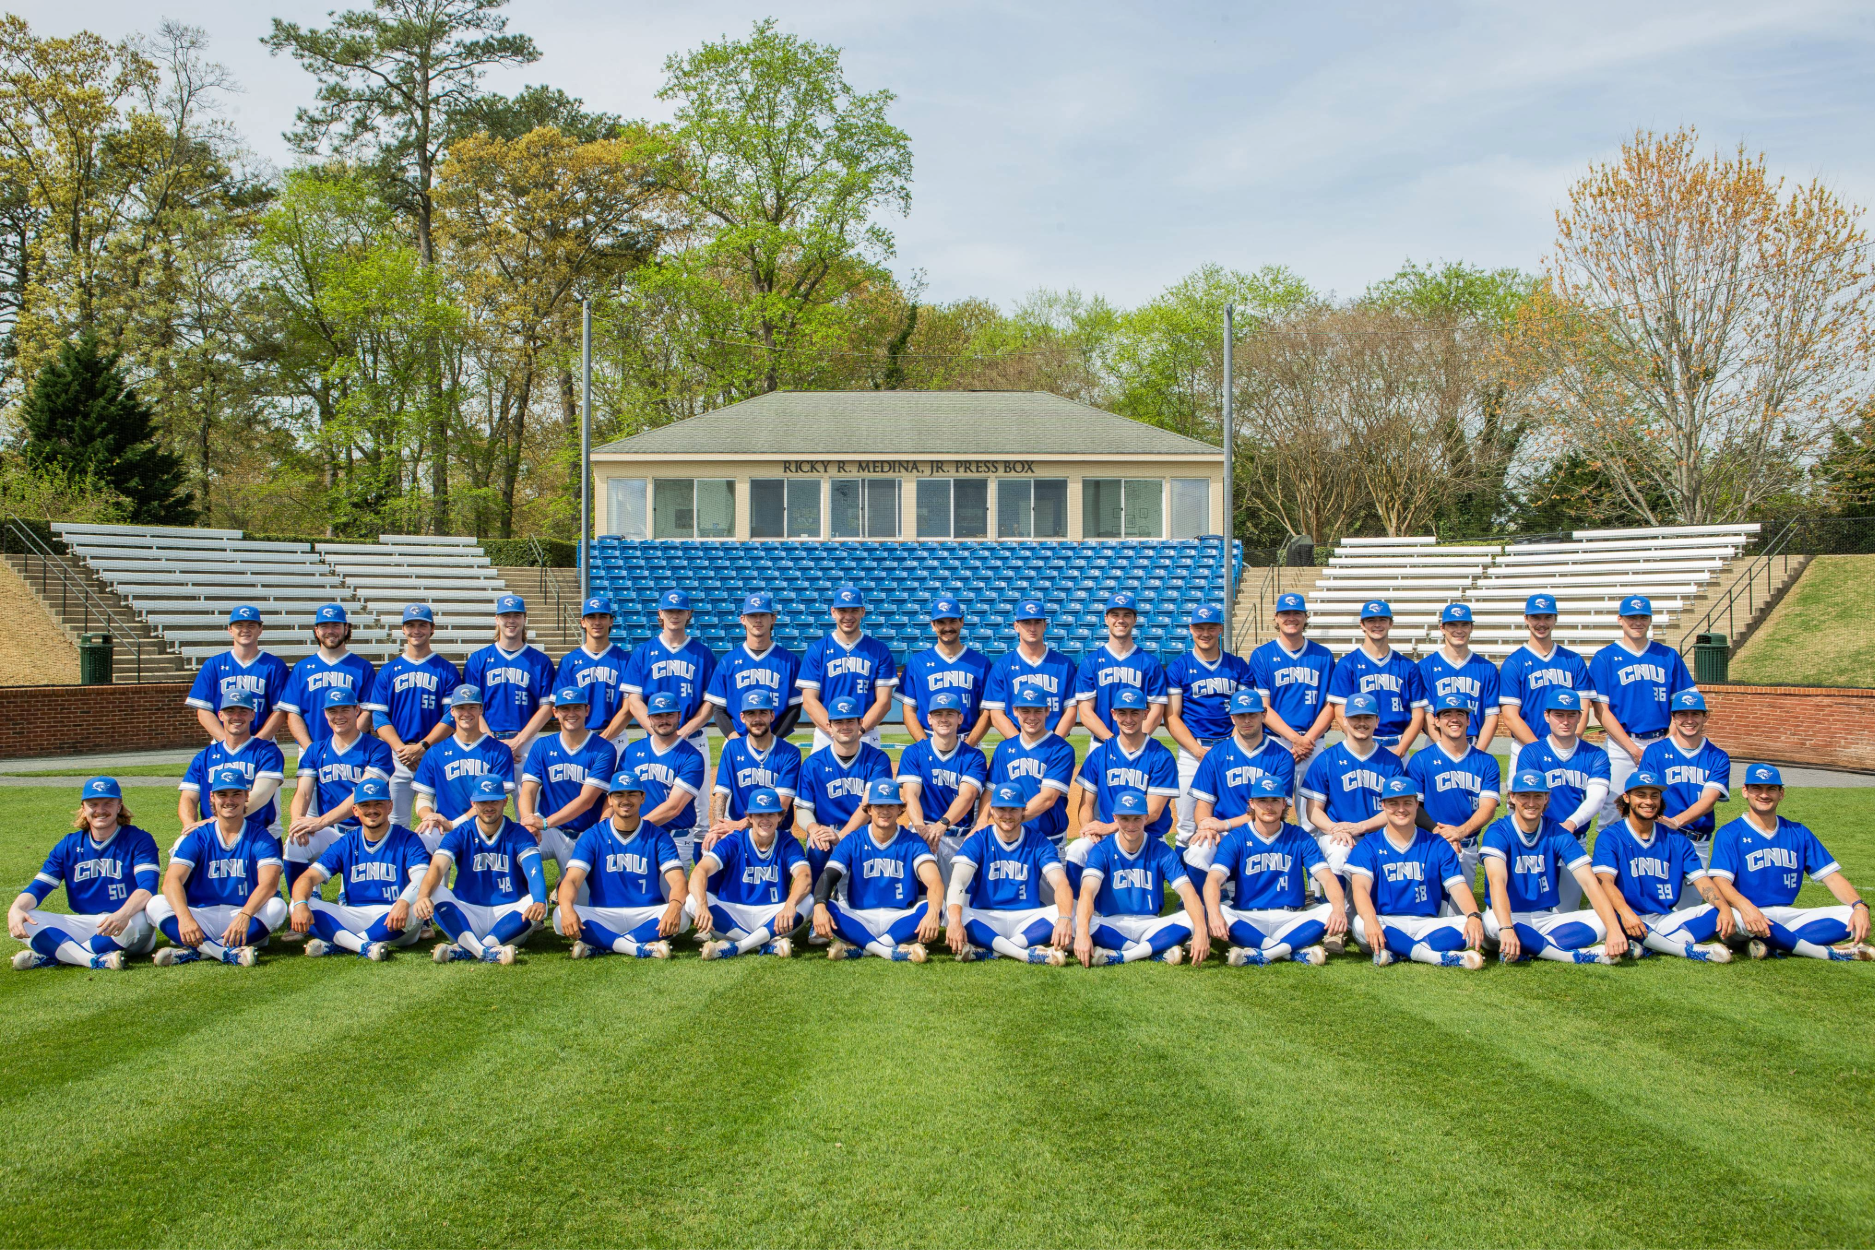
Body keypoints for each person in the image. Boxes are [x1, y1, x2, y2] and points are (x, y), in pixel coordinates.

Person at [1708, 763, 1874, 962]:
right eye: (1757, 788)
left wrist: (1859, 906)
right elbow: (1720, 881)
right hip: (1745, 915)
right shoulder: (1730, 833)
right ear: (1745, 791)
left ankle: (1769, 945)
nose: (1764, 794)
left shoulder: (1798, 832)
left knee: (1849, 915)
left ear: (1781, 793)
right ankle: (1830, 952)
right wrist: (1746, 908)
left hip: (1786, 917)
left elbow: (1831, 877)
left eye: (1771, 789)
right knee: (1735, 919)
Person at [1479, 770, 1629, 965]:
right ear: (1512, 797)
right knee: (1490, 922)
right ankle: (1574, 956)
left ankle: (1534, 948)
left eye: (1537, 796)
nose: (1531, 803)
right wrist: (1507, 928)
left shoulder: (1557, 832)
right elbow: (1496, 881)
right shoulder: (1498, 831)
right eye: (1524, 795)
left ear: (1546, 798)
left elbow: (1589, 882)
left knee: (1606, 920)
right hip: (1507, 915)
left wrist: (1614, 929)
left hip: (1547, 919)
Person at [8, 777, 159, 970]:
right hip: (87, 924)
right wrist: (15, 909)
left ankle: (59, 956)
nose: (100, 810)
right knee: (26, 917)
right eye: (93, 804)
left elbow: (148, 887)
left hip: (124, 924)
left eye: (108, 803)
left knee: (141, 921)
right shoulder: (69, 845)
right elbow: (39, 887)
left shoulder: (139, 839)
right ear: (83, 807)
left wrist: (122, 914)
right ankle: (91, 960)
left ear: (119, 806)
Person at [148, 765, 288, 967]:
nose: (229, 801)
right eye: (222, 794)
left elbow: (269, 884)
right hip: (201, 915)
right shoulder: (199, 836)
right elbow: (171, 882)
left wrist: (245, 916)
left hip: (242, 915)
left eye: (236, 794)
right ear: (212, 797)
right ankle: (225, 952)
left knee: (277, 906)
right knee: (155, 904)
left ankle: (198, 951)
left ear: (246, 796)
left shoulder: (260, 837)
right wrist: (185, 918)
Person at [1201, 775, 1347, 967]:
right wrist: (1213, 914)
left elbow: (1327, 879)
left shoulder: (1299, 837)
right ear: (1252, 804)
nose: (1269, 807)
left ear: (1284, 804)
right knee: (1213, 909)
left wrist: (1338, 909)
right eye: (1263, 800)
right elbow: (1213, 880)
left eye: (1275, 800)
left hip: (1290, 918)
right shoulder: (1236, 838)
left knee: (1330, 908)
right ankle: (1289, 952)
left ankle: (1262, 954)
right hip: (1249, 918)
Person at [1345, 776, 1487, 970]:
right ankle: (1434, 957)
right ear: (1383, 805)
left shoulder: (1436, 844)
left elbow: (1458, 886)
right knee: (1360, 923)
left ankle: (1399, 953)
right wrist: (1370, 920)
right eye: (1393, 803)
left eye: (1407, 803)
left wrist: (1473, 915)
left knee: (1474, 924)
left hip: (1427, 925)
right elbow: (1360, 888)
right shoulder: (1369, 845)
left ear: (1417, 804)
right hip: (1385, 923)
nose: (1401, 809)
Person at [1591, 771, 1734, 961]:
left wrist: (1723, 907)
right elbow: (1605, 882)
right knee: (1609, 917)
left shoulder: (1676, 839)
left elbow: (1702, 881)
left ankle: (1647, 947)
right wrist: (1626, 913)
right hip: (1626, 915)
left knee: (1718, 911)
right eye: (1641, 795)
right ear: (1626, 798)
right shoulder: (1610, 837)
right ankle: (1686, 950)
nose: (1648, 802)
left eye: (1654, 795)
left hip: (1665, 918)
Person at [286, 776, 429, 960]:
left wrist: (403, 902)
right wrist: (300, 905)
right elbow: (307, 878)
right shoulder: (347, 842)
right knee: (297, 903)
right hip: (354, 915)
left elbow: (422, 878)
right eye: (365, 805)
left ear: (390, 806)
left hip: (395, 917)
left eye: (378, 804)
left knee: (414, 907)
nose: (372, 810)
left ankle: (344, 944)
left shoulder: (408, 839)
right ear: (355, 810)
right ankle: (362, 945)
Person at [413, 775, 548, 965]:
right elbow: (437, 866)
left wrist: (540, 902)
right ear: (473, 803)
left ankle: (468, 949)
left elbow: (535, 871)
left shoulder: (520, 834)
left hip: (509, 915)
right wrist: (422, 895)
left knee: (537, 900)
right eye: (483, 801)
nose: (488, 806)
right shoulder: (461, 833)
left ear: (505, 801)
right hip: (468, 914)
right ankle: (486, 951)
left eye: (494, 800)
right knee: (433, 892)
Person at [555, 769, 689, 960]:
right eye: (619, 794)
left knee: (683, 913)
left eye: (632, 794)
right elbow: (572, 880)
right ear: (609, 799)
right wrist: (567, 909)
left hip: (646, 914)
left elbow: (678, 881)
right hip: (603, 915)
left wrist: (674, 907)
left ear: (642, 797)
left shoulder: (658, 836)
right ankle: (636, 947)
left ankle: (603, 945)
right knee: (560, 914)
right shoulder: (593, 835)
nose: (625, 800)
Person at [1587, 596, 1696, 825]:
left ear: (1650, 620)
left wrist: (1667, 740)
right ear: (1620, 620)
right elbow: (1601, 712)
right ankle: (1611, 860)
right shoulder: (1605, 658)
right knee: (1614, 810)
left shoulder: (1667, 655)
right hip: (1621, 746)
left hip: (1663, 740)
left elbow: (1685, 705)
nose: (1637, 622)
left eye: (1643, 617)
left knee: (1661, 807)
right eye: (1631, 617)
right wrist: (1634, 749)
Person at [812, 776, 944, 962]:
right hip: (859, 917)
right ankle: (890, 950)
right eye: (879, 806)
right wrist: (819, 907)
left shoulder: (912, 841)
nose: (884, 811)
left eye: (890, 806)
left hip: (900, 918)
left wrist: (932, 914)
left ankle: (863, 948)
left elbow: (935, 881)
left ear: (900, 809)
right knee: (827, 906)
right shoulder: (852, 840)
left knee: (937, 906)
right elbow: (828, 876)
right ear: (869, 809)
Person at [1073, 789, 1206, 966]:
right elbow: (1087, 892)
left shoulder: (1161, 850)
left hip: (1150, 924)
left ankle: (1124, 954)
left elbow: (1188, 893)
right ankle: (1152, 951)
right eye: (1125, 819)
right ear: (1115, 818)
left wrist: (1202, 931)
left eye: (1136, 818)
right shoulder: (1102, 850)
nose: (1131, 825)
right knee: (1076, 921)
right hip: (1111, 923)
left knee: (1196, 917)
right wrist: (1082, 933)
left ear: (1146, 817)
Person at [946, 782, 1073, 965]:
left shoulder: (1038, 841)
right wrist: (956, 921)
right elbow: (958, 882)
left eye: (1013, 809)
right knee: (950, 912)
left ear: (1023, 811)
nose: (1007, 815)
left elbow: (1061, 883)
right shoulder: (979, 840)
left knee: (1071, 912)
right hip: (986, 916)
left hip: (1026, 917)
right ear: (991, 810)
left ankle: (993, 951)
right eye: (1001, 809)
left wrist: (1064, 918)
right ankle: (1024, 953)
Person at [285, 687, 395, 892]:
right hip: (333, 833)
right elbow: (303, 793)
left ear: (357, 710)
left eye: (344, 709)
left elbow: (360, 796)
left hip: (367, 833)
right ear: (325, 714)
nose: (338, 716)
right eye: (332, 711)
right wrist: (297, 822)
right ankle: (303, 904)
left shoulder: (378, 748)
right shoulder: (315, 750)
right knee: (295, 842)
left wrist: (321, 821)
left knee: (355, 903)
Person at [365, 604, 463, 827]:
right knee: (395, 822)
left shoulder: (446, 670)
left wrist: (422, 747)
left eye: (422, 625)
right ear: (403, 629)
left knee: (438, 821)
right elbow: (379, 718)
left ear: (432, 629)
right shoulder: (389, 671)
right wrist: (402, 750)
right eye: (411, 625)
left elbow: (451, 716)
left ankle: (437, 863)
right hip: (399, 757)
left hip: (435, 754)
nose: (416, 630)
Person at [1164, 604, 1253, 848]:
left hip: (1231, 750)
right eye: (1199, 627)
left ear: (1220, 629)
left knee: (1233, 818)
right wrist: (1197, 751)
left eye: (1211, 627)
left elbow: (1245, 715)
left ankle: (1231, 882)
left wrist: (1227, 748)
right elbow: (1172, 717)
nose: (1205, 633)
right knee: (1186, 825)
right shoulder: (1179, 667)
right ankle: (1187, 882)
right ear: (1191, 629)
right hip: (1193, 753)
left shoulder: (1238, 666)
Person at [1185, 689, 1298, 879]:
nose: (1246, 720)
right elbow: (1204, 804)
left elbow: (1275, 811)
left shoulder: (1282, 757)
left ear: (1263, 715)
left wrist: (1224, 825)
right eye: (1241, 715)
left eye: (1252, 714)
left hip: (1262, 831)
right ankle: (1204, 902)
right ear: (1232, 718)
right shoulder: (1216, 755)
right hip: (1223, 832)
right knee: (1199, 849)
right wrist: (1205, 826)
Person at [688, 787, 812, 960]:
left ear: (780, 817)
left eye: (771, 814)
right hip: (733, 913)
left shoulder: (787, 843)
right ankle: (767, 943)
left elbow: (804, 876)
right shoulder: (734, 841)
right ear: (749, 818)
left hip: (773, 915)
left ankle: (738, 946)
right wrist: (701, 904)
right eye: (760, 814)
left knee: (808, 900)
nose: (765, 820)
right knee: (692, 900)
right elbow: (700, 870)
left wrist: (790, 904)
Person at [1300, 692, 1404, 893]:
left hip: (1378, 833)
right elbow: (1313, 811)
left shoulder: (1391, 762)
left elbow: (1396, 810)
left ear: (1377, 721)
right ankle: (1336, 909)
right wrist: (1335, 829)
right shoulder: (1327, 759)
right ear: (1344, 721)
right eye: (1356, 718)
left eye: (1367, 718)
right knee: (1339, 851)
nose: (1362, 723)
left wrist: (1360, 827)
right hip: (1337, 833)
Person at [517, 685, 619, 891]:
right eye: (565, 709)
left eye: (577, 708)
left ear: (587, 710)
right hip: (551, 831)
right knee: (513, 847)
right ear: (555, 712)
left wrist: (544, 822)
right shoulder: (542, 746)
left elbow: (587, 800)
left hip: (585, 833)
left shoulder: (603, 749)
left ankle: (564, 885)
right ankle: (526, 910)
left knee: (582, 902)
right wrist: (528, 821)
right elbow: (528, 789)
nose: (571, 714)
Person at [1519, 687, 1611, 911]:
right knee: (1531, 910)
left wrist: (1570, 824)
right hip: (1537, 841)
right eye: (1559, 714)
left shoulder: (1595, 755)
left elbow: (1597, 799)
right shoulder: (1531, 753)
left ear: (1580, 717)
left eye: (1571, 714)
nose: (1566, 721)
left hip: (1573, 839)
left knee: (1565, 914)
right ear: (1547, 716)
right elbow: (1526, 802)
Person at [1404, 692, 1502, 902]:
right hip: (1429, 844)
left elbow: (1488, 807)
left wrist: (1460, 832)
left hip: (1467, 844)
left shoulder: (1486, 762)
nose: (1454, 718)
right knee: (1429, 911)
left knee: (1459, 916)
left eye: (1460, 713)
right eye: (1447, 714)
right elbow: (1413, 807)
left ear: (1469, 720)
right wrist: (1439, 832)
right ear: (1437, 721)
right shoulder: (1421, 760)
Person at [1068, 687, 1179, 868]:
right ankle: (1077, 898)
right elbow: (1086, 805)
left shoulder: (1161, 756)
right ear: (1113, 714)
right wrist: (1089, 829)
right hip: (1108, 838)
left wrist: (1109, 827)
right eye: (1123, 713)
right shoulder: (1099, 755)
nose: (1128, 719)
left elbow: (1154, 811)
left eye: (1134, 712)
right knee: (1076, 850)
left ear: (1145, 714)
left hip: (1148, 837)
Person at [795, 695, 895, 895]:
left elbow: (869, 806)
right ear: (829, 727)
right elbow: (803, 808)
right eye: (839, 722)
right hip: (826, 833)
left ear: (860, 724)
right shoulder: (814, 763)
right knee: (817, 847)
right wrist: (814, 829)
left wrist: (841, 836)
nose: (845, 726)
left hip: (863, 833)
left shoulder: (877, 759)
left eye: (850, 721)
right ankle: (818, 911)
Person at [896, 690, 988, 885]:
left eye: (950, 714)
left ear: (960, 718)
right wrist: (921, 827)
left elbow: (967, 796)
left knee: (957, 902)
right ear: (929, 719)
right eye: (938, 714)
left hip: (958, 837)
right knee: (920, 897)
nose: (943, 719)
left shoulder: (973, 756)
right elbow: (910, 794)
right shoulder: (914, 753)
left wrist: (942, 824)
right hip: (922, 833)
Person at [1495, 593, 1593, 777]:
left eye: (1547, 617)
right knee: (1523, 804)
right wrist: (1541, 751)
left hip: (1569, 749)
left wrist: (1570, 745)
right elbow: (1510, 717)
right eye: (1535, 617)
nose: (1542, 623)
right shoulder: (1514, 663)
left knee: (1570, 804)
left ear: (1555, 619)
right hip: (1527, 747)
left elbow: (1583, 709)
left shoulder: (1573, 660)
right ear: (1526, 619)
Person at [411, 685, 516, 854]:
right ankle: (436, 882)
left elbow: (492, 802)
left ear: (481, 709)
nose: (466, 713)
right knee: (423, 837)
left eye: (472, 707)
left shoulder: (499, 751)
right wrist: (429, 816)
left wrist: (454, 824)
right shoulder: (436, 752)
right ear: (452, 711)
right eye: (460, 708)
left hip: (485, 826)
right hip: (444, 824)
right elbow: (424, 798)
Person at [621, 588, 718, 764]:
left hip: (693, 739)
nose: (675, 615)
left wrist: (683, 732)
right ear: (660, 613)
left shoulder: (703, 654)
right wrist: (659, 732)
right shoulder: (643, 652)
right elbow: (634, 702)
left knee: (696, 792)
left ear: (688, 614)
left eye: (680, 610)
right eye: (670, 611)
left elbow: (710, 703)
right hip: (655, 739)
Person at [798, 584, 897, 752]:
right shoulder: (817, 650)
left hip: (866, 731)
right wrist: (834, 731)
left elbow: (884, 701)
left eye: (853, 610)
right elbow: (809, 700)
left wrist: (859, 730)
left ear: (862, 612)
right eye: (843, 610)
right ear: (833, 612)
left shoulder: (879, 650)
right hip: (827, 734)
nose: (848, 616)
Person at [1638, 690, 1731, 867]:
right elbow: (1645, 795)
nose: (1689, 720)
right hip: (1659, 838)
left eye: (1695, 713)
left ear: (1706, 717)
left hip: (1697, 842)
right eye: (1682, 714)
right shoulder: (1655, 752)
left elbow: (1709, 800)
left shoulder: (1718, 757)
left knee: (1694, 894)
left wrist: (1676, 821)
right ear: (1673, 717)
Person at [461, 593, 557, 764]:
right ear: (497, 619)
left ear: (524, 619)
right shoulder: (478, 660)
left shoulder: (540, 662)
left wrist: (518, 742)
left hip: (525, 742)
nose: (511, 620)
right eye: (506, 615)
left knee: (527, 791)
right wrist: (491, 741)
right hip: (485, 740)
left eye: (516, 615)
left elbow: (547, 707)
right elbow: (470, 707)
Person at [979, 684, 1077, 851]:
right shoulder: (1004, 749)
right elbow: (991, 790)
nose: (1031, 717)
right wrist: (980, 822)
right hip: (1011, 839)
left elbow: (1047, 798)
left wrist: (1009, 820)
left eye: (1037, 710)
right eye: (1025, 710)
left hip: (1048, 841)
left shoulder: (1061, 749)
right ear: (1015, 711)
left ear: (1047, 711)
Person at [618, 691, 709, 869]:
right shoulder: (631, 752)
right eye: (658, 715)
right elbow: (618, 797)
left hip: (675, 839)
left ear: (679, 716)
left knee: (671, 895)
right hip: (638, 836)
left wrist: (632, 828)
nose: (664, 720)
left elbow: (674, 807)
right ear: (649, 718)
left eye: (669, 714)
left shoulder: (692, 757)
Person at [1246, 592, 1335, 772]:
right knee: (1272, 799)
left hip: (1313, 743)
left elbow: (1331, 705)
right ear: (1277, 618)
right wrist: (1296, 739)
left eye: (1297, 613)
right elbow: (1263, 707)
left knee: (1313, 800)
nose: (1291, 618)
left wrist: (1306, 741)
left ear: (1305, 617)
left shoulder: (1323, 655)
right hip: (1275, 740)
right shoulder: (1262, 655)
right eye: (1285, 614)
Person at [178, 688, 286, 834]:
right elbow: (188, 798)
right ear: (220, 715)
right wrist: (190, 825)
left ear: (252, 715)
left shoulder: (267, 752)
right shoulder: (204, 757)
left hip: (255, 833)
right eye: (230, 711)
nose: (236, 716)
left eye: (243, 711)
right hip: (212, 833)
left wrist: (216, 821)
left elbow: (261, 795)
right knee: (180, 846)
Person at [1325, 599, 1425, 755]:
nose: (1377, 624)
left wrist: (1402, 749)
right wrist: (1361, 742)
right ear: (1362, 624)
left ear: (1390, 623)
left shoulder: (1407, 666)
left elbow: (1418, 713)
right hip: (1360, 744)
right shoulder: (1347, 664)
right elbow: (1340, 711)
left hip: (1397, 744)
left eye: (1382, 620)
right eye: (1371, 620)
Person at [708, 690, 803, 848]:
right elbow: (721, 795)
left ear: (772, 716)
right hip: (738, 834)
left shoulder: (789, 753)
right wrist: (718, 828)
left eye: (763, 713)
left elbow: (782, 806)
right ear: (742, 717)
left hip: (777, 833)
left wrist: (739, 824)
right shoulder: (732, 748)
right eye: (751, 713)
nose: (757, 719)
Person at [276, 603, 377, 749]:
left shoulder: (362, 667)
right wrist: (310, 749)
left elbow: (367, 712)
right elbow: (292, 714)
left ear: (346, 628)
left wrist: (346, 745)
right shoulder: (302, 668)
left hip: (355, 749)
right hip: (311, 749)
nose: (330, 631)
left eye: (336, 625)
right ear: (316, 631)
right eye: (324, 626)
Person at [186, 604, 291, 742]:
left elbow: (280, 711)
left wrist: (257, 742)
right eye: (239, 625)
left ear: (260, 630)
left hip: (263, 745)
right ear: (230, 630)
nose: (245, 630)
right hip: (222, 744)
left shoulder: (275, 666)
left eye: (251, 625)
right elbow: (203, 710)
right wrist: (226, 742)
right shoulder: (213, 665)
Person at [705, 592, 803, 740]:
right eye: (752, 615)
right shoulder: (728, 661)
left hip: (777, 740)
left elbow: (794, 708)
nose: (757, 620)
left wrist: (773, 740)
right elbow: (719, 709)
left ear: (773, 619)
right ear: (743, 619)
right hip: (737, 739)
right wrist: (734, 739)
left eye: (763, 615)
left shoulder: (790, 661)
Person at [899, 595, 992, 746]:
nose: (947, 627)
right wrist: (925, 746)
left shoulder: (981, 663)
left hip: (968, 741)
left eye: (953, 621)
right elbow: (908, 711)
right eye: (941, 622)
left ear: (961, 622)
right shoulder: (917, 662)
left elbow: (987, 712)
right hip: (929, 740)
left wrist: (968, 746)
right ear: (933, 625)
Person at [1074, 591, 1168, 741]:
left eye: (1127, 615)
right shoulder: (1090, 663)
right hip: (1101, 744)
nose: (1121, 620)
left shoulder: (1150, 663)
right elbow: (1085, 712)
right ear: (1106, 619)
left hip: (1139, 744)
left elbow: (1156, 710)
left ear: (1135, 619)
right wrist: (1113, 742)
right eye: (1115, 614)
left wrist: (1135, 740)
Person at [981, 599, 1078, 740]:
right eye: (1026, 622)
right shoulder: (1002, 666)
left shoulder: (1064, 665)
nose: (1032, 628)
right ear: (1016, 626)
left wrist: (1055, 743)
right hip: (1017, 741)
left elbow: (1070, 709)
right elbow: (996, 714)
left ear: (1044, 625)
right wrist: (1021, 746)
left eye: (1037, 622)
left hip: (1054, 743)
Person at [1417, 603, 1499, 752]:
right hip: (1436, 744)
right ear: (1442, 628)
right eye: (1453, 625)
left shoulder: (1487, 668)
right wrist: (1444, 747)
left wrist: (1478, 752)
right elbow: (1426, 715)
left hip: (1473, 744)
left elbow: (1491, 716)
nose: (1459, 630)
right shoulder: (1425, 667)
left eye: (1464, 625)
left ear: (1471, 628)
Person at [555, 596, 632, 740]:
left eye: (602, 616)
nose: (597, 622)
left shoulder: (625, 660)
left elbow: (629, 708)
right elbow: (562, 708)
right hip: (578, 737)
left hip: (615, 738)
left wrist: (603, 739)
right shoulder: (568, 661)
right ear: (583, 622)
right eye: (591, 617)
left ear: (611, 621)